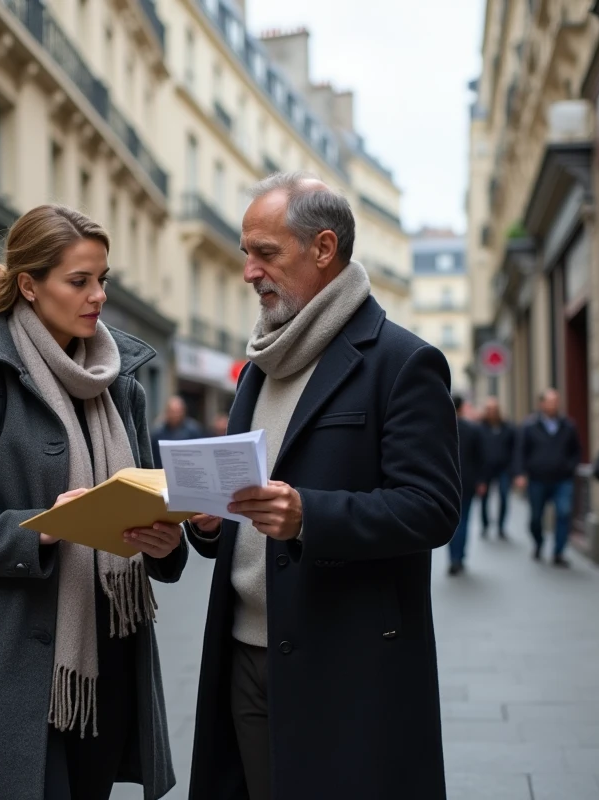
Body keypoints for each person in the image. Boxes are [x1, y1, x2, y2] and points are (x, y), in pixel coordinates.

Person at [185, 173, 461, 799]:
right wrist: (210, 518)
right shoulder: (260, 365)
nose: (249, 271)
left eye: (265, 253)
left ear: (323, 248)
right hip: (245, 653)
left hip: (349, 664)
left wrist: (309, 515)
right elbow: (251, 502)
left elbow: (433, 509)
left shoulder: (402, 361)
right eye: (245, 253)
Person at [0, 205, 187, 800]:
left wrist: (167, 542)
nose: (98, 296)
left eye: (103, 279)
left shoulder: (124, 387)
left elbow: (148, 503)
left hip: (109, 654)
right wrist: (41, 527)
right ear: (30, 286)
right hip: (10, 661)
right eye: (79, 281)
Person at [514, 388, 581, 566]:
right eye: (549, 401)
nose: (553, 405)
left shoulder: (568, 425)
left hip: (562, 479)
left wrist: (569, 467)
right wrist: (520, 473)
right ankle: (538, 542)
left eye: (555, 401)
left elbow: (576, 451)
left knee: (564, 513)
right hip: (537, 479)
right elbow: (521, 451)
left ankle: (558, 552)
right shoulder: (529, 426)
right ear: (541, 404)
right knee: (536, 517)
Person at [449, 394, 486, 576]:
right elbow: (481, 458)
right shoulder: (473, 430)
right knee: (463, 521)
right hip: (468, 482)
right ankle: (458, 558)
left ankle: (454, 558)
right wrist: (481, 481)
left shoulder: (440, 428)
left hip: (447, 482)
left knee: (451, 521)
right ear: (462, 408)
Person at [479, 396, 516, 539]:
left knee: (504, 496)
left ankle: (501, 526)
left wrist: (514, 469)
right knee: (484, 498)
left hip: (504, 469)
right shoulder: (480, 428)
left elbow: (514, 449)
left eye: (494, 409)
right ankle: (485, 525)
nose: (492, 412)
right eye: (489, 409)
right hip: (485, 469)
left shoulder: (508, 428)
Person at [150, 395, 203, 467]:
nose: (175, 415)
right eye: (172, 411)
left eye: (178, 411)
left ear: (183, 411)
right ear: (167, 412)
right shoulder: (158, 431)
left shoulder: (193, 430)